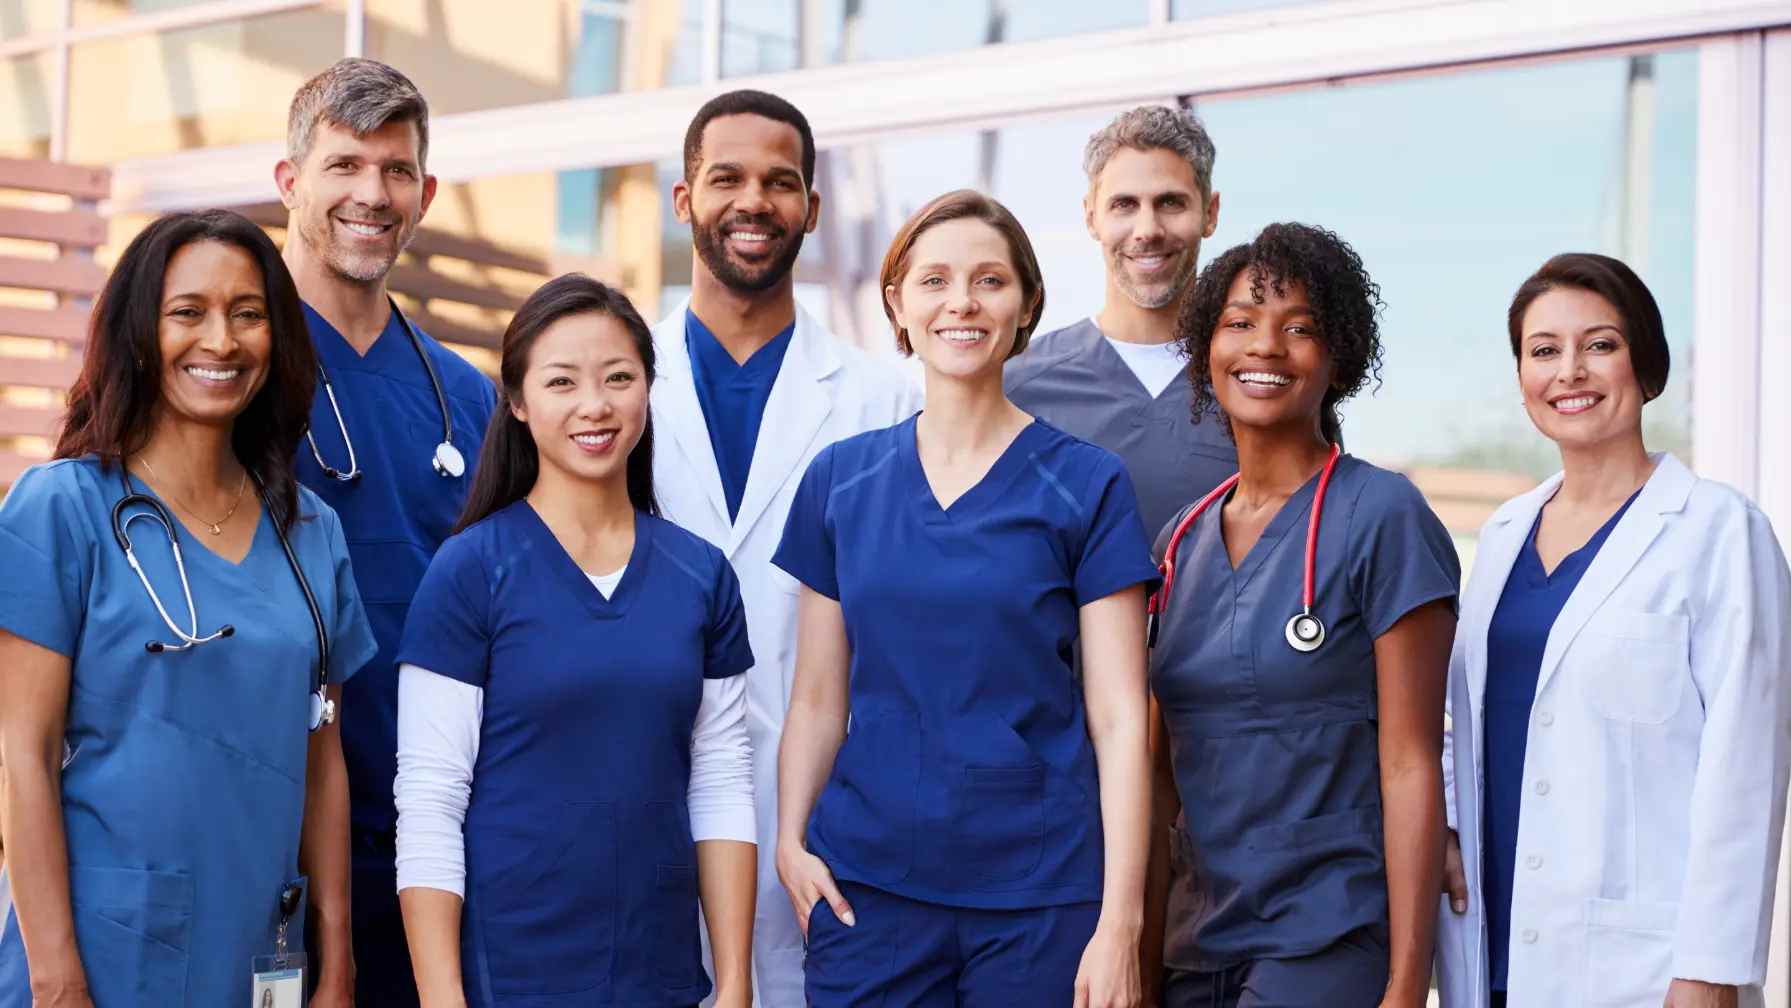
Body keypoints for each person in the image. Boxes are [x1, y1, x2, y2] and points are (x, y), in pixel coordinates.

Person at [775, 190, 1157, 1008]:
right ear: (897, 306)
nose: (962, 302)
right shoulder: (840, 482)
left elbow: (1121, 717)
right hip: (866, 892)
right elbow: (815, 698)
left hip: (1039, 899)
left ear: (1024, 307)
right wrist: (787, 840)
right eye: (935, 281)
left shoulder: (1086, 485)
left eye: (989, 281)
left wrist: (1118, 923)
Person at [0, 209, 377, 1007]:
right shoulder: (63, 509)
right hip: (103, 953)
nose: (222, 340)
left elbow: (323, 760)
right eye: (188, 312)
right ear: (140, 332)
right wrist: (57, 979)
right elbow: (19, 758)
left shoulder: (311, 532)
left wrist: (336, 961)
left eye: (248, 315)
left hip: (261, 948)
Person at [1436, 254, 1791, 1008]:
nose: (1569, 371)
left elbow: (1745, 768)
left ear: (1646, 367)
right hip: (1489, 943)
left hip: (1642, 966)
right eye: (1543, 351)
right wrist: (1442, 827)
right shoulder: (1501, 535)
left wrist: (1709, 972)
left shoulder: (1718, 531)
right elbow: (1461, 721)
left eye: (1599, 344)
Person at [393, 275, 757, 1008]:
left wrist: (736, 980)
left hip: (661, 977)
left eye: (618, 378)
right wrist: (441, 998)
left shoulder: (700, 575)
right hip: (514, 975)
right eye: (562, 382)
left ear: (647, 391)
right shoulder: (469, 572)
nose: (595, 405)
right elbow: (431, 801)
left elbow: (719, 785)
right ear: (520, 403)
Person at [649, 87, 921, 1006]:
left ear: (811, 206)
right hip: (644, 803)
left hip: (833, 820)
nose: (753, 202)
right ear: (683, 199)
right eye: (725, 178)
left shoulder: (887, 404)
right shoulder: (613, 391)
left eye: (780, 182)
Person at [1146, 223, 1458, 1007]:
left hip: (1326, 935)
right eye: (1241, 323)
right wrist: (1141, 959)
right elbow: (1156, 779)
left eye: (1299, 328)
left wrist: (1405, 983)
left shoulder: (1381, 515)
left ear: (1338, 356)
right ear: (1205, 347)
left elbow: (1411, 762)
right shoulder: (1179, 541)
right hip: (1198, 944)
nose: (1266, 347)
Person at [275, 58, 498, 1005]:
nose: (373, 193)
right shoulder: (228, 366)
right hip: (272, 833)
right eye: (344, 165)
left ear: (426, 192)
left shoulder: (470, 396)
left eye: (396, 170)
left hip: (431, 843)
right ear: (290, 182)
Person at [1005, 104, 1234, 541]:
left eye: (1170, 203)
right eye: (1124, 205)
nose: (1147, 228)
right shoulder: (1017, 388)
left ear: (1210, 212)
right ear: (1092, 216)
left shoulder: (1260, 380)